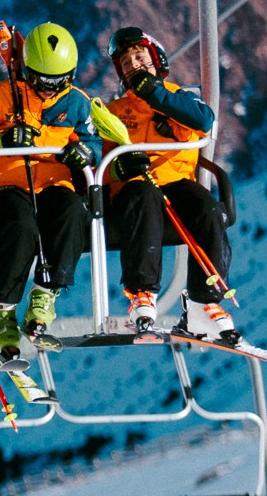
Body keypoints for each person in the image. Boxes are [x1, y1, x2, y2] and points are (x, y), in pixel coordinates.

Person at [100, 26, 238, 339]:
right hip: (135, 189)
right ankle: (142, 293)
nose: (133, 65)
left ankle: (205, 302)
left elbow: (203, 121)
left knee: (207, 209)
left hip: (175, 183)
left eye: (139, 57)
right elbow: (101, 163)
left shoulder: (177, 99)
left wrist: (155, 94)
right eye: (126, 63)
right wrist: (121, 168)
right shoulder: (116, 112)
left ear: (156, 60)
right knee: (143, 194)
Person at [0, 21, 101, 354]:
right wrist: (3, 139)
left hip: (53, 180)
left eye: (58, 83)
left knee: (72, 212)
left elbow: (92, 141)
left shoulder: (76, 103)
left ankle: (45, 295)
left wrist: (84, 152)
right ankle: (1, 311)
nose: (48, 89)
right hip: (8, 181)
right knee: (20, 227)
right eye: (41, 81)